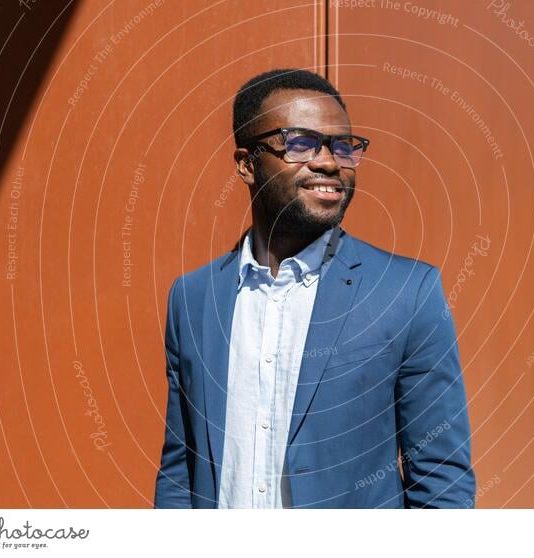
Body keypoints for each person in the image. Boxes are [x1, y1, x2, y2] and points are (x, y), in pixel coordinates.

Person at [154, 68, 475, 508]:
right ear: (247, 164)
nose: (329, 161)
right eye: (301, 143)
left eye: (343, 146)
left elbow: (442, 480)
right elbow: (180, 472)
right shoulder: (192, 299)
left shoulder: (406, 293)